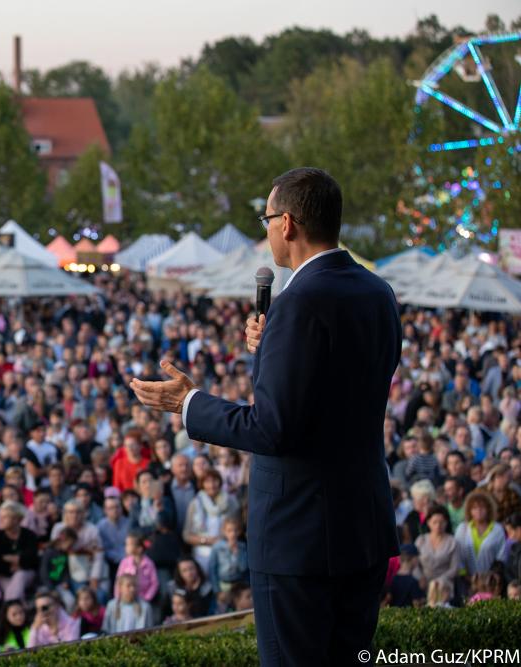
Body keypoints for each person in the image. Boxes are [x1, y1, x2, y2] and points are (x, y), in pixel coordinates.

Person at [132, 168, 400, 665]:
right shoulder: (376, 291)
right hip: (361, 526)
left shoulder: (299, 301)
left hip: (301, 537)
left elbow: (272, 427)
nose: (266, 229)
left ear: (289, 224)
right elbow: (338, 387)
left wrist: (189, 403)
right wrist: (274, 344)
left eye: (267, 218)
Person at [454, 489, 506, 575]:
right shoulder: (462, 529)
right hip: (466, 581)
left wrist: (490, 577)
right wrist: (465, 576)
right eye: (474, 508)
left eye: (482, 507)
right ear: (469, 511)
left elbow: (501, 556)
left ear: (488, 509)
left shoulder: (497, 529)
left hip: (491, 581)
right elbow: (457, 556)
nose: (478, 511)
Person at [414, 505, 460, 588]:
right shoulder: (421, 540)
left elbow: (454, 568)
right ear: (428, 523)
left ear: (446, 522)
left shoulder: (452, 542)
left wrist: (440, 580)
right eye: (434, 522)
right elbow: (414, 564)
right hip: (423, 585)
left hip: (445, 586)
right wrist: (420, 577)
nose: (438, 526)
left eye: (441, 522)